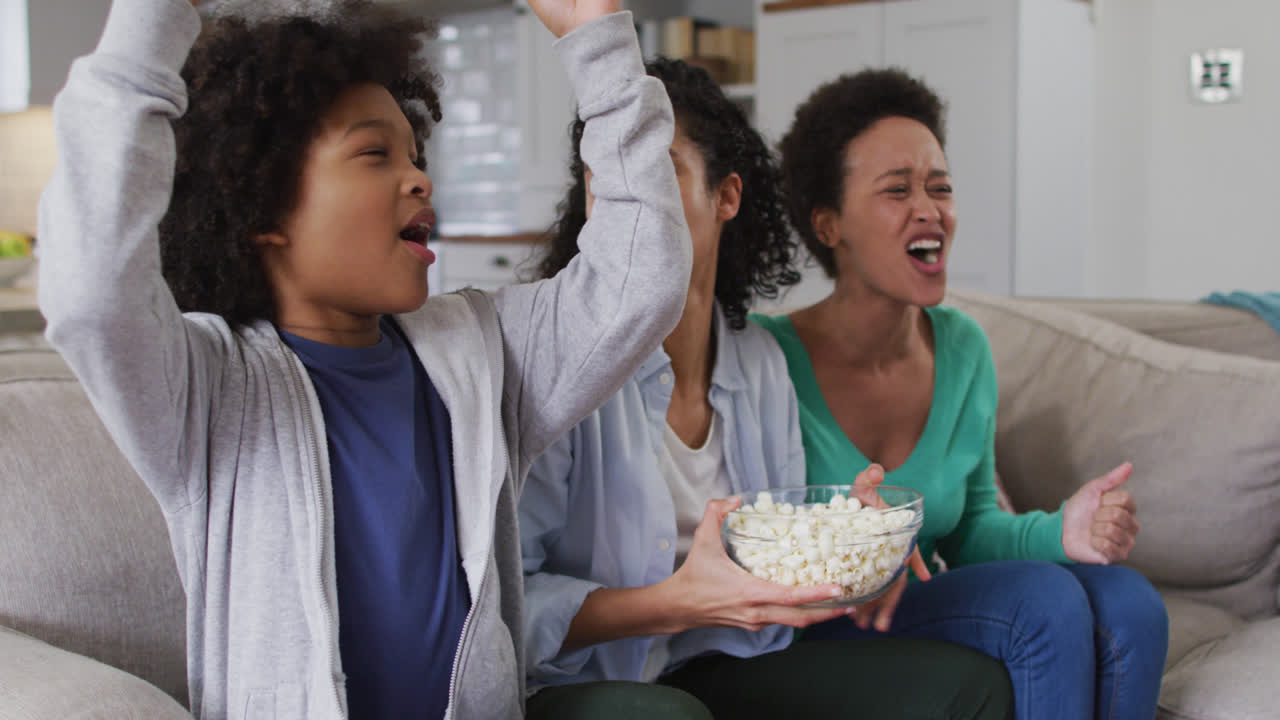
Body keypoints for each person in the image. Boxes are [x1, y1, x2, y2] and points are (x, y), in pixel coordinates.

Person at [37, 0, 692, 717]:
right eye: (375, 153)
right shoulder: (207, 389)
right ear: (259, 205)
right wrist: (156, 16)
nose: (420, 180)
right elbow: (92, 290)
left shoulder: (483, 350)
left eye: (416, 155)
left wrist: (595, 37)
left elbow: (639, 281)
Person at [519, 58, 1015, 720]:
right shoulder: (557, 361)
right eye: (599, 178)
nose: (623, 199)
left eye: (656, 169)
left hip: (717, 662)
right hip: (582, 683)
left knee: (969, 687)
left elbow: (776, 567)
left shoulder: (757, 363)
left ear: (726, 197)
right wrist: (674, 601)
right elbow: (506, 606)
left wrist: (852, 547)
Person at [754, 68, 1169, 720]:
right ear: (829, 225)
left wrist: (1065, 529)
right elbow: (736, 533)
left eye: (940, 188)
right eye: (898, 190)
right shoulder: (765, 357)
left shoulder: (963, 347)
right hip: (812, 628)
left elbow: (971, 532)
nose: (930, 209)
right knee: (1040, 600)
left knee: (1129, 602)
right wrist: (845, 544)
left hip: (913, 608)